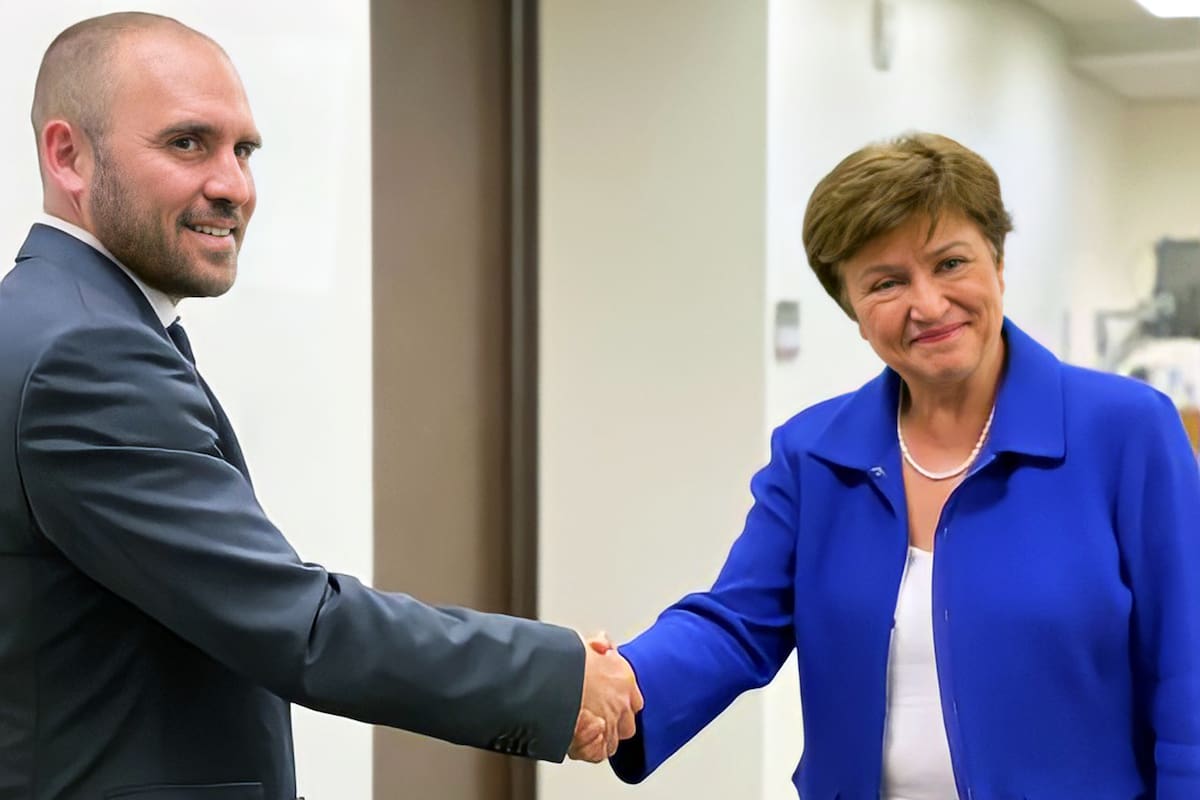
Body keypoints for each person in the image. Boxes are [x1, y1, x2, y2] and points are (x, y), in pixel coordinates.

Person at [0, 12, 639, 799]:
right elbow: (299, 626)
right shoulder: (83, 354)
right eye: (187, 142)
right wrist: (559, 678)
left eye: (244, 150)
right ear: (68, 155)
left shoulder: (54, 321)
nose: (233, 185)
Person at [602, 133, 1200, 798]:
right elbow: (736, 626)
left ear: (998, 264)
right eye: (886, 282)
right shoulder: (816, 455)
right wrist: (618, 684)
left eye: (949, 263)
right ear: (854, 311)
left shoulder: (1125, 431)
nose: (928, 304)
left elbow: (1188, 668)